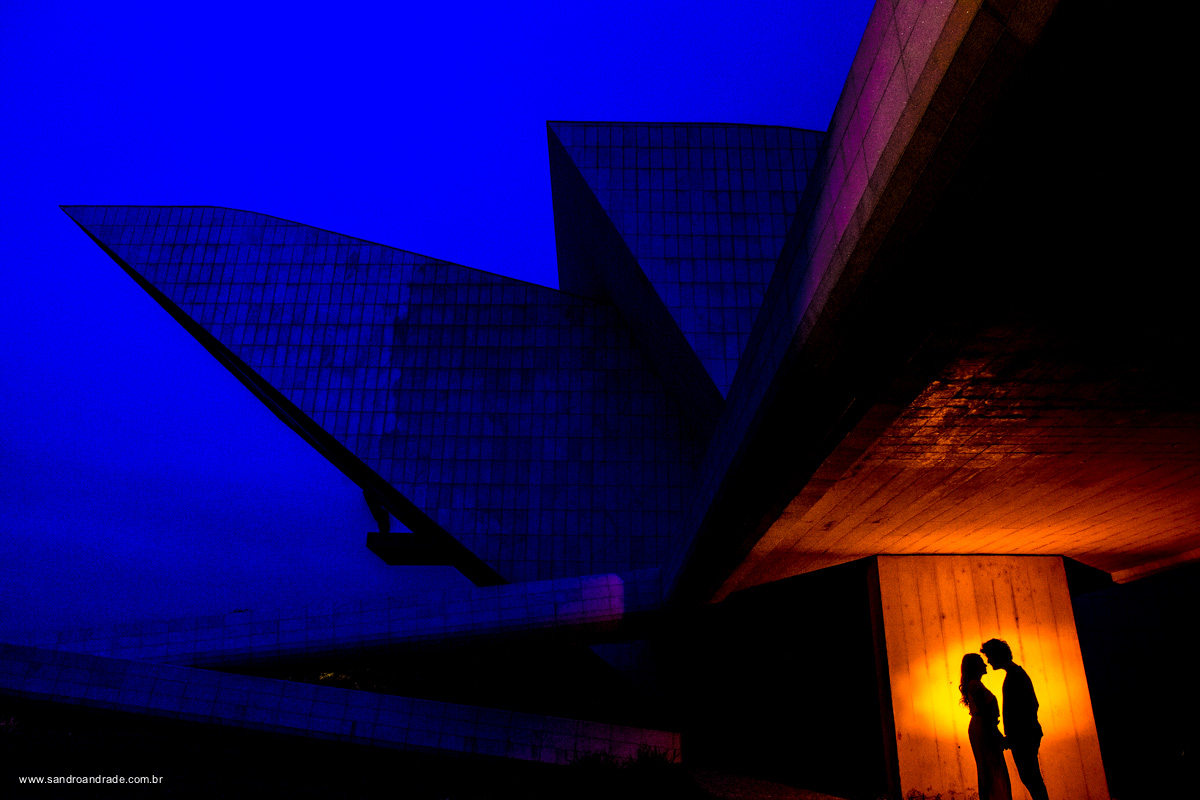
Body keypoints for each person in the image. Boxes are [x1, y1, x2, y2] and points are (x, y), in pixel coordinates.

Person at [981, 638, 1050, 800]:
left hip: (1023, 737)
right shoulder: (1015, 674)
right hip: (1024, 736)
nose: (989, 661)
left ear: (999, 655)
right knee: (1031, 778)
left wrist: (1015, 736)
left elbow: (1029, 706)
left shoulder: (1015, 676)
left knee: (1031, 778)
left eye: (990, 656)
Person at [960, 653, 1013, 800]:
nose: (985, 665)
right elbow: (984, 712)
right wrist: (996, 734)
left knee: (988, 768)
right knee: (989, 767)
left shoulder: (975, 685)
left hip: (983, 727)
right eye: (981, 663)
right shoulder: (975, 685)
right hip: (983, 729)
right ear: (974, 667)